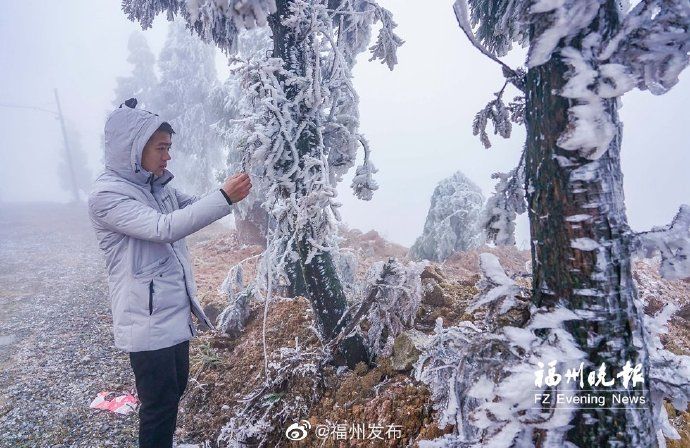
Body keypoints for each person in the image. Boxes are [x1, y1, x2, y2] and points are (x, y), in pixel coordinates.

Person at [87, 98, 251, 447]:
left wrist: (231, 191)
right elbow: (164, 228)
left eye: (169, 147)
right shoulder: (107, 195)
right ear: (134, 150)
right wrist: (224, 196)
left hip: (171, 313)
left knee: (174, 391)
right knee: (158, 406)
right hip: (145, 320)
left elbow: (190, 207)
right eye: (161, 148)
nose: (168, 156)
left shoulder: (156, 186)